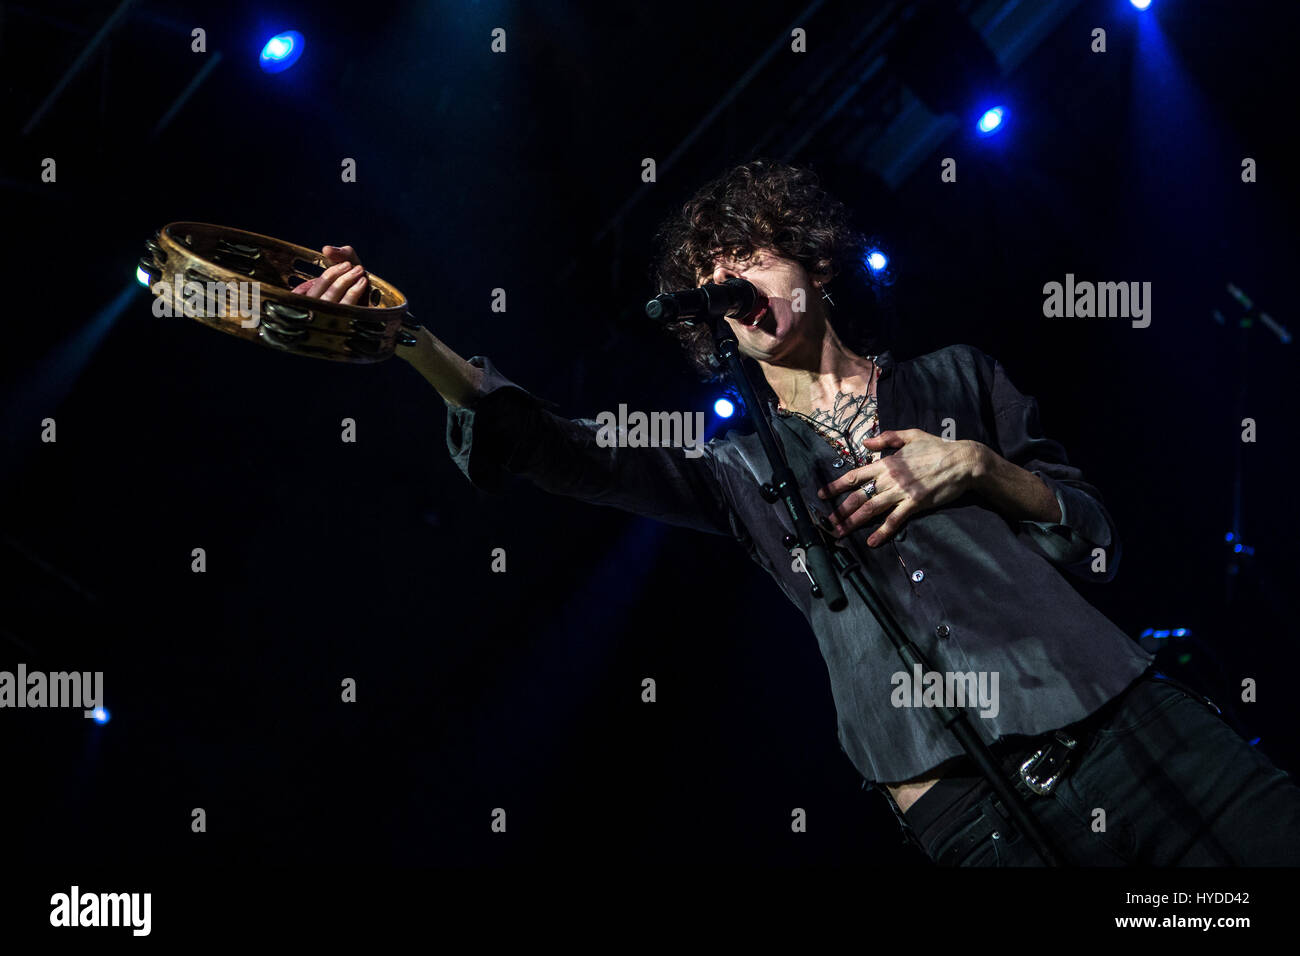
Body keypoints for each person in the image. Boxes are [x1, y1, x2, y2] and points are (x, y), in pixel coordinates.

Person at [297, 159, 1300, 865]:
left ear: (814, 262)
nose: (725, 286)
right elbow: (560, 445)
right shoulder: (736, 469)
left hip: (1137, 735)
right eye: (705, 285)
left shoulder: (958, 376)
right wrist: (410, 338)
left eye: (743, 255)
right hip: (969, 807)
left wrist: (980, 465)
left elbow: (1094, 538)